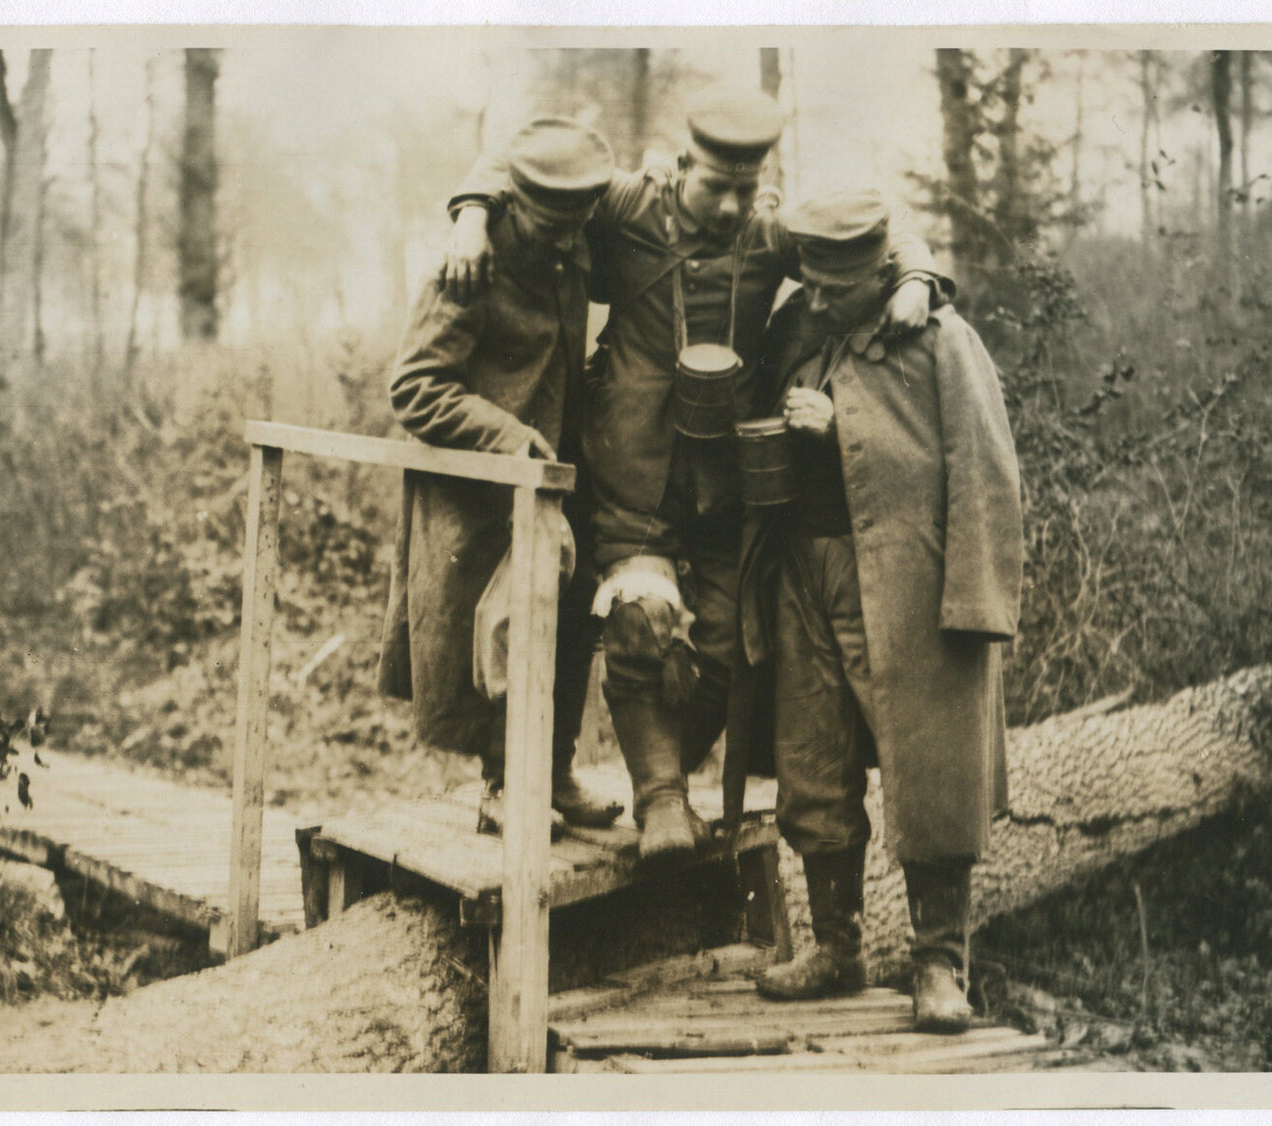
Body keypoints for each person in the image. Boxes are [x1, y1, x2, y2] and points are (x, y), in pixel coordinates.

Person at [439, 88, 954, 861]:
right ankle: (663, 804)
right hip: (629, 467)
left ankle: (663, 776)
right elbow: (526, 163)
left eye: (747, 190)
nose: (731, 206)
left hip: (730, 477)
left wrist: (914, 277)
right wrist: (472, 215)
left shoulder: (766, 231)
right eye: (717, 186)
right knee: (638, 622)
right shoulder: (627, 204)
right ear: (683, 166)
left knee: (722, 640)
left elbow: (869, 229)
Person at [743, 190, 1023, 1033]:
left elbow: (984, 474)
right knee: (811, 760)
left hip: (903, 587)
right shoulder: (799, 326)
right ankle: (835, 947)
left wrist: (976, 606)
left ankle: (939, 966)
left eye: (834, 289)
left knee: (930, 773)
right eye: (809, 284)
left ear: (880, 273)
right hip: (804, 574)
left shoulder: (938, 340)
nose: (815, 301)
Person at [377, 117, 623, 836]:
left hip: (551, 477)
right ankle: (500, 786)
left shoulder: (570, 231)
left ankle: (550, 774)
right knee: (495, 633)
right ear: (513, 204)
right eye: (548, 227)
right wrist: (508, 438)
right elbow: (414, 387)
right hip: (476, 493)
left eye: (575, 226)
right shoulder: (465, 268)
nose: (564, 240)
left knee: (569, 614)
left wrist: (474, 203)